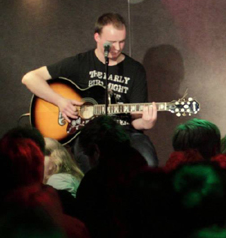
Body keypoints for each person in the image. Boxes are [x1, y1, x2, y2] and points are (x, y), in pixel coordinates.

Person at [21, 13, 159, 167]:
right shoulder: (81, 63)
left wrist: (145, 123)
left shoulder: (135, 70)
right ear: (97, 37)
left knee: (148, 161)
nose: (117, 48)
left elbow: (135, 121)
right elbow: (30, 78)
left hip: (124, 133)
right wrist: (60, 101)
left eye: (122, 42)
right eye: (111, 42)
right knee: (92, 163)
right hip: (87, 134)